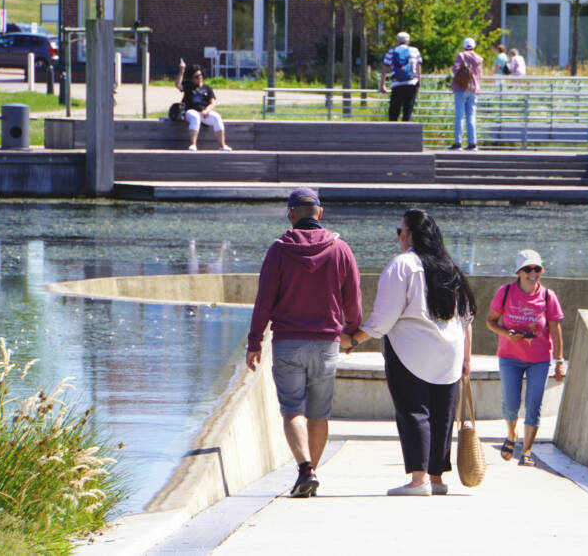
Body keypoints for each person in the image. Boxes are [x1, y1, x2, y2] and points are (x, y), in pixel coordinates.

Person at [341, 209, 475, 496]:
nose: (398, 236)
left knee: (414, 412)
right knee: (442, 415)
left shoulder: (402, 265)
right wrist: (466, 358)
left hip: (410, 351)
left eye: (399, 231)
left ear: (410, 234)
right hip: (449, 353)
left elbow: (384, 317)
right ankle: (436, 478)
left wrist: (354, 339)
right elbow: (466, 317)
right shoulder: (450, 267)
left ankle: (418, 479)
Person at [246, 187, 362, 498]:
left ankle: (305, 470)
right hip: (326, 344)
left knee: (292, 411)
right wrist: (352, 332)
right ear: (320, 213)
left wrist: (254, 342)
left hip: (288, 342)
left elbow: (264, 301)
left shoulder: (279, 250)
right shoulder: (341, 249)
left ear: (291, 214)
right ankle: (310, 475)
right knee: (319, 414)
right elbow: (353, 299)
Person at [485, 249, 564, 467]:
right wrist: (506, 334)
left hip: (539, 359)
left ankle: (527, 451)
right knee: (511, 404)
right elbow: (490, 321)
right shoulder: (505, 292)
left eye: (537, 269)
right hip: (510, 357)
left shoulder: (548, 296)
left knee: (534, 405)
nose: (533, 273)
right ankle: (512, 435)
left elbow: (556, 330)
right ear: (519, 272)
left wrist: (559, 362)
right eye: (528, 269)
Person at [176, 60, 231, 151]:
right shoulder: (188, 85)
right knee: (195, 117)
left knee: (217, 117)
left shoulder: (207, 88)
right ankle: (193, 144)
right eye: (196, 76)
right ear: (192, 78)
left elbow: (212, 102)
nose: (200, 77)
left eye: (201, 75)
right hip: (190, 111)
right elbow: (178, 85)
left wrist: (207, 111)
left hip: (203, 112)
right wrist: (182, 70)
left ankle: (222, 145)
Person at [380, 32, 423, 122]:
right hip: (411, 84)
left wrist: (382, 85)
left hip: (397, 85)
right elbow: (418, 68)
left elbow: (384, 69)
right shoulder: (415, 51)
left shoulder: (392, 51)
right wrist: (418, 84)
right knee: (407, 113)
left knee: (393, 114)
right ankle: (405, 130)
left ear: (397, 41)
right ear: (408, 41)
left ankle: (393, 131)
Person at [450, 37, 484, 151]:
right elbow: (479, 75)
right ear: (474, 46)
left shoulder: (461, 55)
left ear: (464, 46)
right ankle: (472, 143)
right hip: (474, 90)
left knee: (459, 116)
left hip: (461, 88)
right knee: (471, 116)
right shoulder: (479, 58)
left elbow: (455, 70)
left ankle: (458, 143)